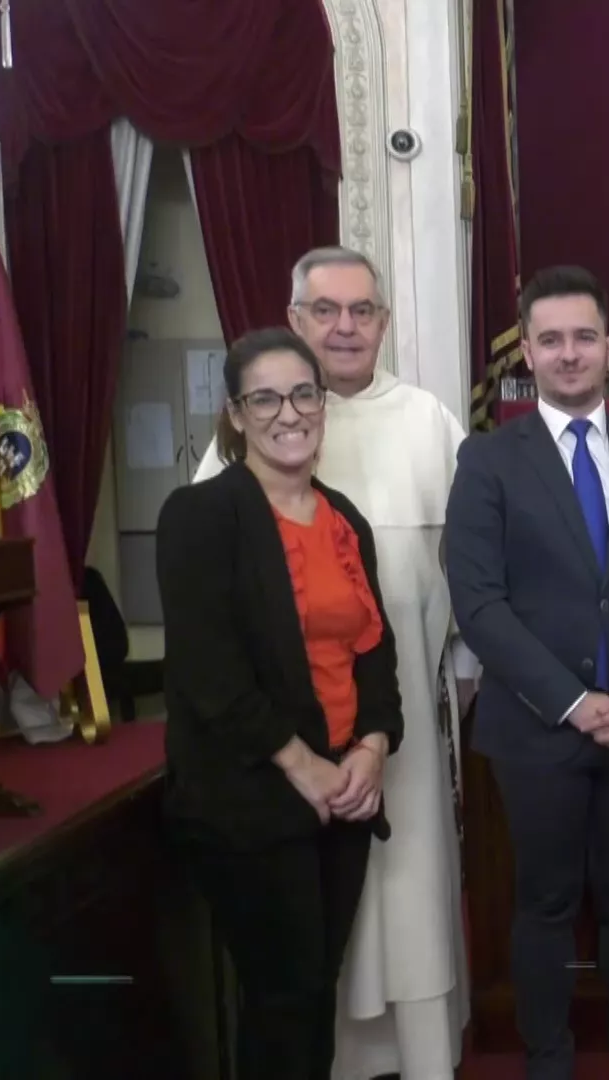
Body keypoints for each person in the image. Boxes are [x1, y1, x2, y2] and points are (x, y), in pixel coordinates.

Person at [193, 246, 471, 1080]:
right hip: (283, 745)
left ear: (383, 322)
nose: (345, 328)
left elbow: (469, 573)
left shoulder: (429, 421)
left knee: (410, 897)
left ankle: (420, 1059)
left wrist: (417, 714)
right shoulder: (249, 436)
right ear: (296, 320)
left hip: (397, 726)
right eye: (326, 311)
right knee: (297, 960)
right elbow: (214, 624)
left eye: (362, 311)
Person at [444, 265, 609, 1080]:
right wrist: (572, 702)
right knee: (545, 904)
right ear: (527, 351)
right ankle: (548, 1062)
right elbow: (478, 604)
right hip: (535, 730)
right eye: (550, 340)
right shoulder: (487, 461)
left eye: (583, 337)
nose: (568, 354)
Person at [157, 327, 403, 1080]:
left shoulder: (345, 521)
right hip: (251, 799)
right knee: (283, 998)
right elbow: (210, 671)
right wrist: (305, 767)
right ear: (235, 413)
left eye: (303, 394)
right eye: (264, 397)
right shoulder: (200, 515)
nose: (287, 412)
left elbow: (377, 654)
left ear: (323, 404)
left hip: (345, 797)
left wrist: (371, 748)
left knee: (314, 989)